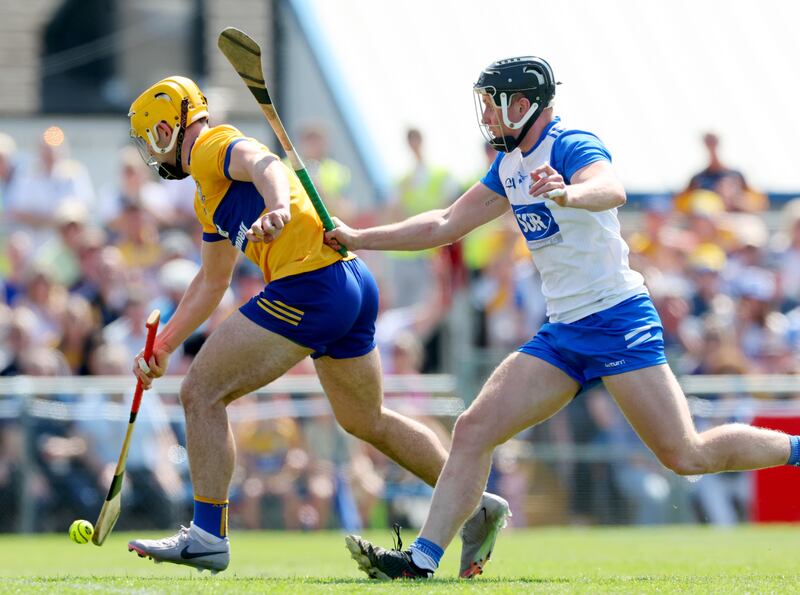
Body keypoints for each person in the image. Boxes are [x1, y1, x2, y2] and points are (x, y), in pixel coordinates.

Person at [328, 56, 800, 580]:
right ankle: (422, 561)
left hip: (618, 320)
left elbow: (611, 188)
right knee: (473, 428)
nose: (486, 115)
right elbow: (444, 222)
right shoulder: (507, 166)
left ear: (523, 104)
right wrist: (360, 238)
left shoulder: (570, 143)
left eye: (493, 104)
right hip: (563, 332)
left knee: (685, 454)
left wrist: (568, 192)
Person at [123, 76, 508, 575]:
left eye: (148, 139)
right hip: (348, 281)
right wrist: (166, 344)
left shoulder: (209, 145)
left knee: (201, 393)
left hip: (309, 284)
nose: (151, 154)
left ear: (165, 129)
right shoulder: (205, 197)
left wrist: (279, 206)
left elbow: (264, 164)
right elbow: (212, 280)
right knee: (365, 420)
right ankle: (476, 505)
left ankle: (206, 536)